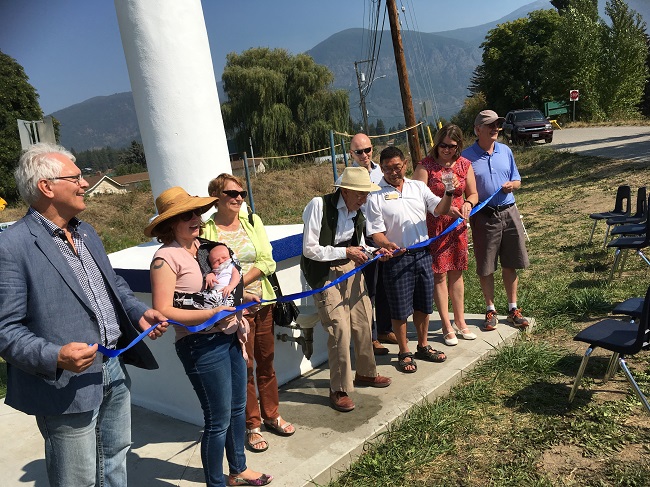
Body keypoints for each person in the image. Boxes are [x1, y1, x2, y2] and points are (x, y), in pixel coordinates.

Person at [0, 142, 168, 487]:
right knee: (77, 479)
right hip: (64, 385)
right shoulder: (11, 247)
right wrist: (55, 356)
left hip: (113, 370)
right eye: (75, 177)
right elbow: (5, 329)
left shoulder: (86, 231)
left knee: (115, 460)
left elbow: (114, 284)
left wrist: (138, 311)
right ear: (46, 187)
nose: (85, 183)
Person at [147, 186, 271, 487]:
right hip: (200, 345)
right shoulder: (165, 258)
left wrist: (239, 302)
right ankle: (216, 482)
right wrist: (212, 314)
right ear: (169, 224)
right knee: (218, 420)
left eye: (197, 213)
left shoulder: (206, 248)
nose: (196, 219)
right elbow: (163, 309)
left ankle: (238, 470)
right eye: (186, 215)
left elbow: (231, 279)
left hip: (229, 337)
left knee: (237, 408)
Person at [204, 173, 294, 454]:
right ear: (217, 197)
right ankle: (252, 425)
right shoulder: (207, 230)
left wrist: (240, 282)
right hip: (233, 311)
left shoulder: (252, 222)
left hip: (262, 304)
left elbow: (267, 260)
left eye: (241, 193)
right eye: (232, 193)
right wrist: (237, 290)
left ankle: (272, 414)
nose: (239, 198)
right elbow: (208, 270)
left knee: (267, 362)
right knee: (245, 367)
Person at [301, 166, 392, 412]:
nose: (365, 198)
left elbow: (359, 245)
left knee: (363, 321)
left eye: (366, 193)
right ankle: (338, 388)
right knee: (339, 329)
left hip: (351, 269)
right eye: (361, 194)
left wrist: (376, 252)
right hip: (325, 273)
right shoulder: (318, 206)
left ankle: (366, 372)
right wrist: (345, 252)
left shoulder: (358, 211)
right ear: (345, 190)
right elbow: (310, 249)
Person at [366, 146, 454, 373]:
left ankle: (423, 345)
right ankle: (404, 351)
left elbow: (440, 209)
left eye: (397, 167)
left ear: (405, 165)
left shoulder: (418, 187)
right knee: (399, 308)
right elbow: (375, 232)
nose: (393, 172)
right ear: (382, 170)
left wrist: (449, 192)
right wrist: (386, 244)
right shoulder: (375, 196)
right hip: (397, 258)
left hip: (423, 255)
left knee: (424, 304)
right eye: (387, 169)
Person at [462, 110, 530, 331]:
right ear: (477, 129)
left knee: (511, 262)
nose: (495, 129)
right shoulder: (466, 157)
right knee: (486, 265)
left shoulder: (505, 151)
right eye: (490, 125)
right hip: (484, 217)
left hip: (509, 212)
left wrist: (513, 185)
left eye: (497, 125)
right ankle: (490, 309)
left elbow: (517, 178)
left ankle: (513, 309)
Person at [413, 124, 479, 346]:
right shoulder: (426, 166)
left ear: (458, 145)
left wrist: (469, 204)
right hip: (435, 226)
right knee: (439, 274)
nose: (447, 150)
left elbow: (473, 193)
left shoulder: (464, 165)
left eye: (452, 146)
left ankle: (460, 321)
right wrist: (441, 206)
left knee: (457, 273)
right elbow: (417, 197)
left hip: (458, 226)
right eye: (443, 145)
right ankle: (445, 324)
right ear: (436, 144)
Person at [339, 133, 394, 355]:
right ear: (351, 153)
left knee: (385, 286)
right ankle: (370, 337)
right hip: (363, 237)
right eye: (359, 151)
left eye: (368, 150)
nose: (364, 155)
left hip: (382, 234)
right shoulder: (348, 175)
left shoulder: (381, 172)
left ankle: (385, 329)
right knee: (368, 288)